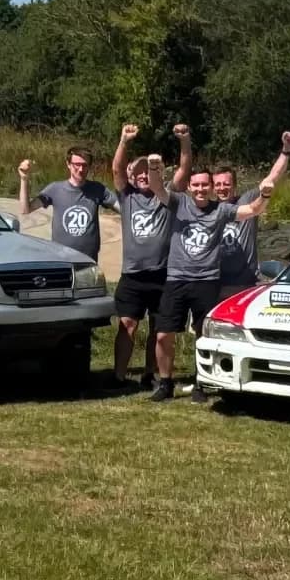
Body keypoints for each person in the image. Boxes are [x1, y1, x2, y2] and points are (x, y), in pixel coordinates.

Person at [150, 123, 276, 400]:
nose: (200, 189)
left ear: (210, 187)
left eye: (204, 184)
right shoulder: (179, 202)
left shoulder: (221, 210)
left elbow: (253, 210)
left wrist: (265, 193)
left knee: (203, 335)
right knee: (163, 335)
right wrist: (154, 168)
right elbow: (157, 188)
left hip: (207, 281)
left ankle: (201, 384)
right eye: (195, 184)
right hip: (177, 279)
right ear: (190, 186)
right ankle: (165, 383)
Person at [107, 123, 170, 389]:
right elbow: (116, 169)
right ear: (133, 176)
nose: (144, 175)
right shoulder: (127, 196)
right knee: (127, 325)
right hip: (132, 274)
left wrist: (184, 143)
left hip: (161, 274)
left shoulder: (166, 196)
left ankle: (149, 374)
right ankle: (118, 377)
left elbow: (185, 172)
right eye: (139, 171)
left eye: (149, 171)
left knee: (157, 327)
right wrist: (124, 141)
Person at [212, 131, 290, 291]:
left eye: (226, 184)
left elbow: (273, 177)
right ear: (213, 187)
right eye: (218, 184)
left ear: (234, 185)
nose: (222, 188)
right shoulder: (209, 209)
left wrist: (286, 150)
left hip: (246, 282)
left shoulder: (247, 200)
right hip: (217, 283)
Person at [18, 146, 113, 263]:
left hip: (88, 261)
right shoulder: (55, 189)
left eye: (85, 165)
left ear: (89, 166)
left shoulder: (98, 189)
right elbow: (25, 209)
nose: (80, 169)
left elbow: (123, 207)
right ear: (68, 164)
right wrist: (24, 179)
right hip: (60, 260)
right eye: (76, 164)